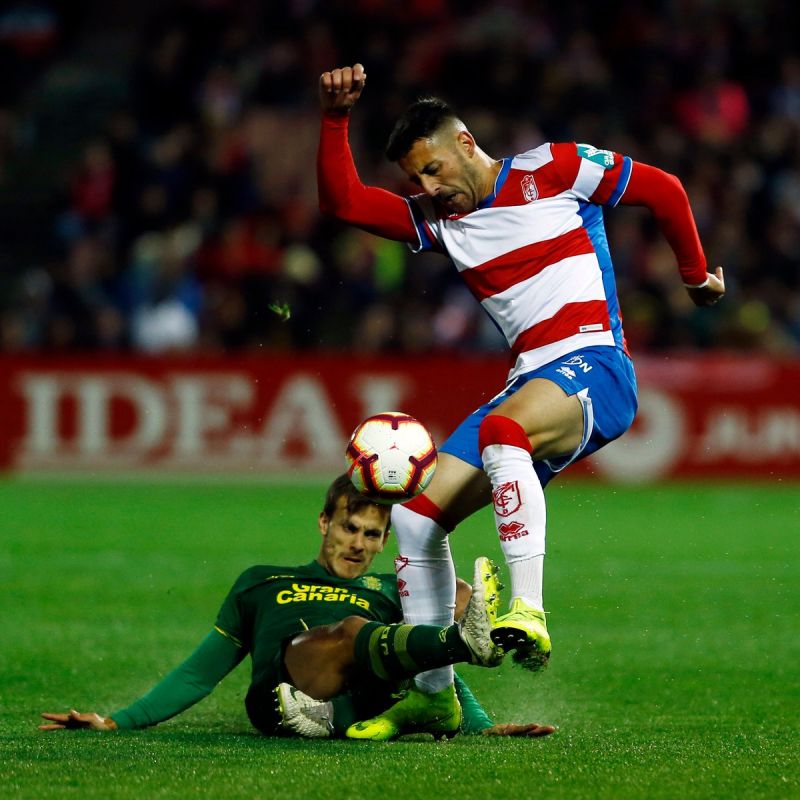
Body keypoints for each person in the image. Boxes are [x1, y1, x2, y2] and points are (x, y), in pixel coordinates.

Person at [317, 64, 725, 737]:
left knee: (504, 429)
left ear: (465, 144)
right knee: (415, 518)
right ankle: (434, 695)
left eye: (432, 169)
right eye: (416, 180)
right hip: (529, 381)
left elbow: (665, 190)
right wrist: (336, 119)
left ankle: (528, 609)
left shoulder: (555, 169)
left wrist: (695, 276)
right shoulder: (441, 224)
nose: (428, 189)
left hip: (597, 364)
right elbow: (345, 204)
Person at [40, 475, 554, 741]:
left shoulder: (389, 587)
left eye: (372, 534)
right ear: (324, 522)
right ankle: (462, 641)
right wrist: (119, 722)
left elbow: (432, 673)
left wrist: (480, 725)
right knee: (351, 629)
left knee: (435, 605)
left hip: (365, 696)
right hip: (282, 695)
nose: (358, 543)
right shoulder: (263, 581)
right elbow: (200, 671)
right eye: (349, 527)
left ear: (384, 543)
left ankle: (347, 713)